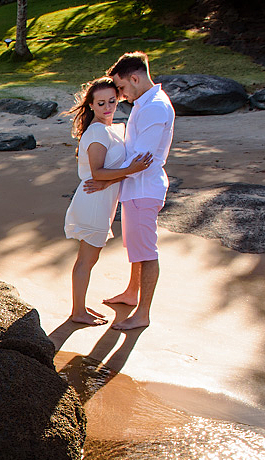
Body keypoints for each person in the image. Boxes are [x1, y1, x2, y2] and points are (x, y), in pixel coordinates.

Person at [90, 51, 176, 330]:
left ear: (135, 78)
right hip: (136, 188)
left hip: (143, 189)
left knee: (147, 252)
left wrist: (106, 180)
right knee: (137, 248)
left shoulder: (153, 107)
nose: (121, 95)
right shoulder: (145, 102)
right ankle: (131, 293)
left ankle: (143, 314)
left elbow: (142, 159)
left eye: (123, 87)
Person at [63, 77, 154, 325]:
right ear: (91, 105)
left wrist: (119, 176)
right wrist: (132, 169)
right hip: (93, 202)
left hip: (101, 201)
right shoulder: (96, 132)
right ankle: (78, 312)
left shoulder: (108, 129)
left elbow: (106, 175)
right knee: (86, 260)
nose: (108, 107)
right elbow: (97, 173)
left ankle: (79, 308)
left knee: (88, 259)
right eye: (101, 103)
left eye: (112, 101)